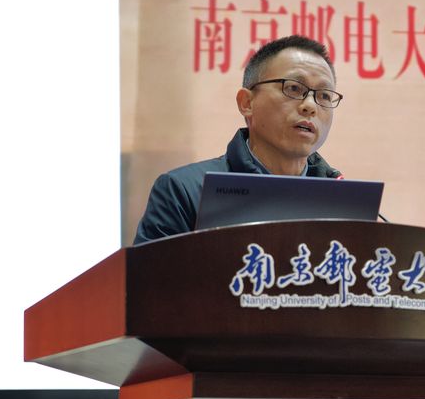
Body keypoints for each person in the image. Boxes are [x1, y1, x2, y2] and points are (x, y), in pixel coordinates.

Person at [132, 35, 344, 244]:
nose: (310, 106)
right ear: (247, 103)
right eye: (293, 88)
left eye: (324, 95)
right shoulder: (184, 191)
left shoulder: (342, 200)